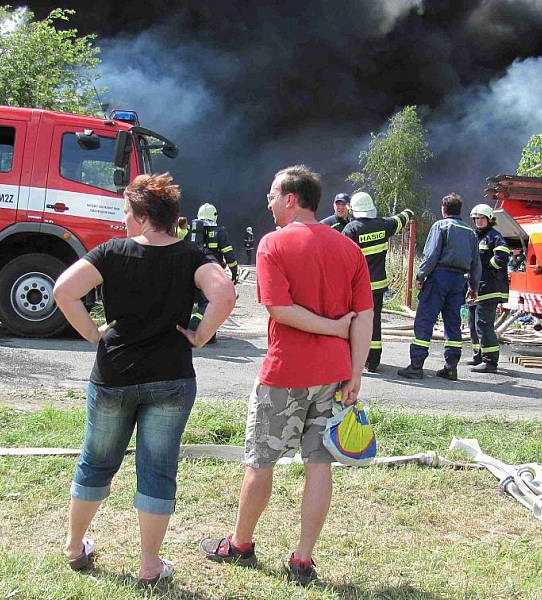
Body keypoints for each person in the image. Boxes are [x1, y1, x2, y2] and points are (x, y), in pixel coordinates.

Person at [54, 173, 236, 585]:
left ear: (140, 216)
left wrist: (91, 333)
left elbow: (64, 290)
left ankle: (74, 546)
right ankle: (150, 565)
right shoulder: (192, 255)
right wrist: (200, 336)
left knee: (96, 462)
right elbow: (224, 293)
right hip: (171, 376)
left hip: (114, 374)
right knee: (157, 469)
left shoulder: (111, 252)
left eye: (125, 214)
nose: (123, 221)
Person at [198, 165, 373, 585]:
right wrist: (355, 372)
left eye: (273, 195)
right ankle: (303, 560)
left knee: (260, 462)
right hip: (333, 374)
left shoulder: (272, 244)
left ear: (291, 199)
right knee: (319, 464)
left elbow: (279, 309)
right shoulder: (349, 249)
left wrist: (331, 328)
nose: (269, 202)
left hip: (284, 373)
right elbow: (364, 315)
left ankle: (240, 545)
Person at [398, 193, 480, 381]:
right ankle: (451, 368)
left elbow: (431, 255)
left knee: (425, 320)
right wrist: (473, 287)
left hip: (439, 277)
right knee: (452, 323)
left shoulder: (440, 226)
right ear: (460, 210)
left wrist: (420, 275)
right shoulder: (470, 232)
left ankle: (416, 366)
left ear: (444, 209)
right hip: (459, 281)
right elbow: (476, 263)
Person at [342, 192, 413, 372]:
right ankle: (373, 361)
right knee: (374, 322)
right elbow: (400, 220)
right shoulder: (383, 225)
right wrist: (409, 212)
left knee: (355, 322)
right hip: (378, 286)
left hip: (358, 288)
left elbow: (341, 259)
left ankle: (355, 358)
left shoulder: (351, 229)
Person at [467, 203, 510, 373]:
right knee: (472, 323)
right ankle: (478, 355)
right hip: (475, 287)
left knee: (484, 324)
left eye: (482, 218)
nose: (478, 221)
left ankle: (490, 362)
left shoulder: (495, 236)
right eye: (476, 218)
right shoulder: (474, 237)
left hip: (489, 287)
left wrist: (484, 269)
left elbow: (502, 257)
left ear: (489, 219)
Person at [188, 202, 238, 343]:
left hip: (192, 273)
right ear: (214, 215)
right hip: (212, 275)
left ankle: (209, 335)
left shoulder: (191, 231)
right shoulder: (220, 232)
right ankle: (195, 327)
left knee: (196, 303)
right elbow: (229, 254)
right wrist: (234, 272)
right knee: (209, 303)